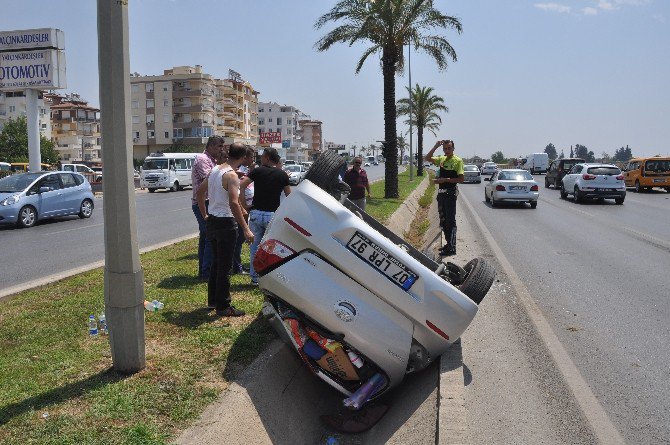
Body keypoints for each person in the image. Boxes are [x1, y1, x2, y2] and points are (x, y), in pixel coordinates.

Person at [196, 142, 254, 317]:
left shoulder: (215, 169)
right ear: (243, 157)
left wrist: (205, 215)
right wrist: (246, 229)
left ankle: (213, 300)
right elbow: (234, 203)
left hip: (213, 221)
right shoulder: (231, 176)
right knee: (225, 267)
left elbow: (199, 192)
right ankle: (223, 306)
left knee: (216, 264)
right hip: (226, 224)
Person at [239, 147, 291, 285]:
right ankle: (269, 276)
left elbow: (242, 186)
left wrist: (244, 205)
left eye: (262, 156)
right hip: (272, 215)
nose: (260, 159)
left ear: (267, 157)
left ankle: (255, 278)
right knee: (271, 249)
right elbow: (289, 196)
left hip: (256, 214)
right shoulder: (282, 175)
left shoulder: (257, 171)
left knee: (254, 248)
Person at [191, 135, 225, 281]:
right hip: (202, 203)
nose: (221, 149)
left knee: (205, 237)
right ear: (210, 146)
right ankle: (206, 273)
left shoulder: (212, 160)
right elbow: (211, 179)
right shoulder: (203, 159)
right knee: (209, 236)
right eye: (219, 146)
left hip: (208, 202)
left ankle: (204, 271)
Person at [424, 139, 464, 256]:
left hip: (450, 195)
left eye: (449, 148)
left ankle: (452, 248)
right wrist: (436, 145)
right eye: (445, 148)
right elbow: (427, 158)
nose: (447, 150)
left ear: (453, 149)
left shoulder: (458, 161)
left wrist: (445, 180)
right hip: (441, 194)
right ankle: (447, 245)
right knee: (443, 221)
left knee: (451, 222)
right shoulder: (441, 159)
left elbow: (461, 179)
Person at [232, 146, 256, 275]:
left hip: (247, 209)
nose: (253, 160)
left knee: (240, 239)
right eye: (251, 157)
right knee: (239, 238)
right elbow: (238, 191)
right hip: (241, 210)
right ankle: (236, 266)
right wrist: (244, 207)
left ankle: (237, 265)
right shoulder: (239, 171)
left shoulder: (246, 170)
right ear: (244, 157)